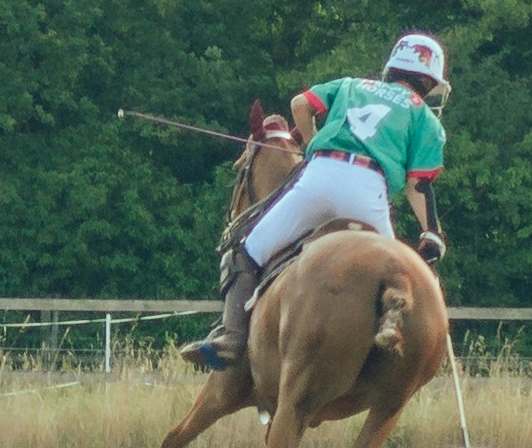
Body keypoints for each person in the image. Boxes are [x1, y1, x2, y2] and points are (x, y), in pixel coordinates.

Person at [182, 32, 452, 375]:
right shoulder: (425, 120)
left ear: (392, 67)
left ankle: (232, 338)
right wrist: (432, 233)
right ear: (428, 82)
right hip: (369, 189)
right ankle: (390, 326)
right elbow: (418, 184)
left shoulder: (352, 85)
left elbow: (300, 104)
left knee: (248, 250)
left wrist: (311, 147)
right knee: (395, 270)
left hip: (320, 177)